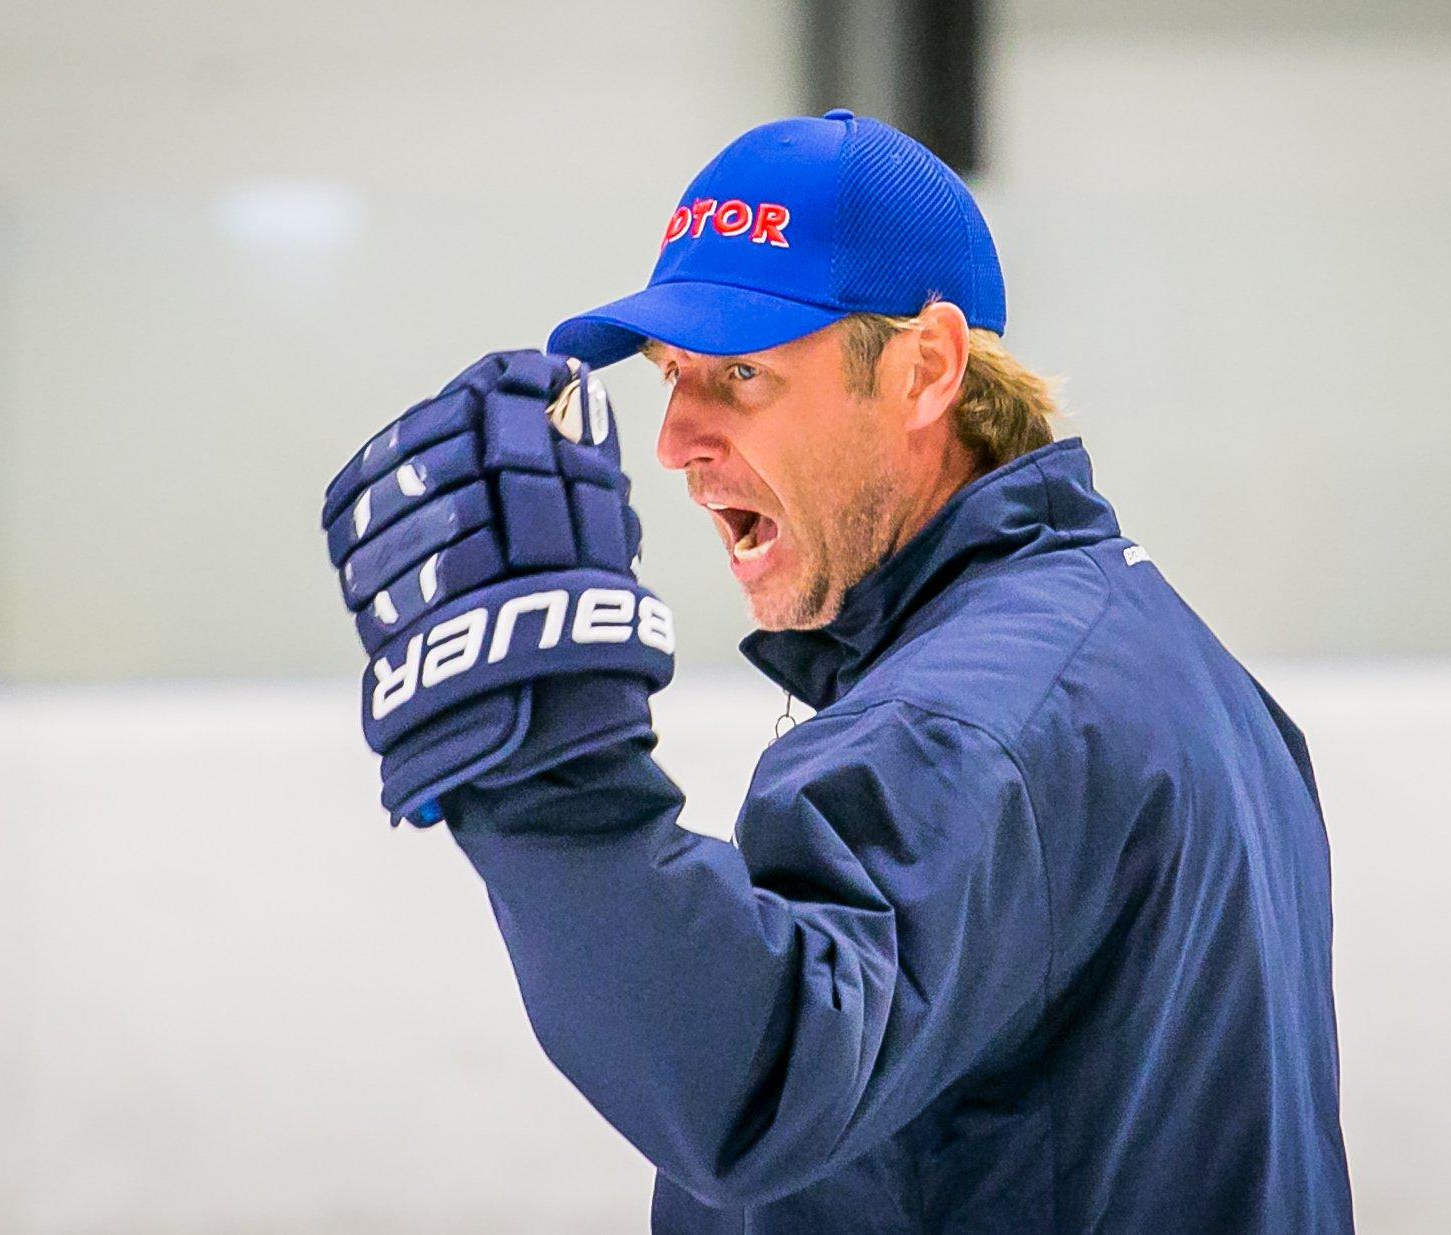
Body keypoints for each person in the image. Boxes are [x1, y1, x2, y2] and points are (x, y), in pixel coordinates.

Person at [321, 111, 1353, 1233]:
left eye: (741, 372)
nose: (672, 441)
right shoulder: (1161, 659)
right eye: (672, 375)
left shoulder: (963, 727)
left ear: (925, 370)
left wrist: (544, 774)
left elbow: (754, 1082)